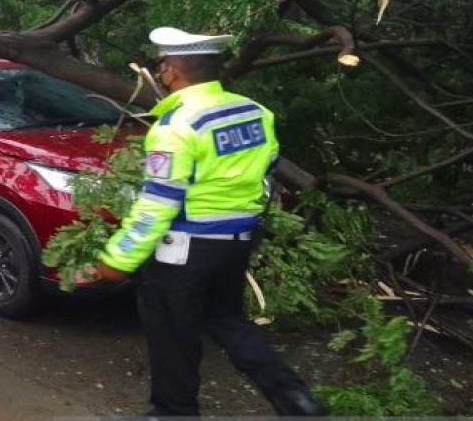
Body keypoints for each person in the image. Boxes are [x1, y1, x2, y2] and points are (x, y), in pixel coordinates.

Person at [74, 27, 326, 417]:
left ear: (171, 70)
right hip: (239, 239)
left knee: (172, 329)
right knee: (227, 320)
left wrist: (117, 260)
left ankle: (174, 412)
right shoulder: (254, 112)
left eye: (161, 65)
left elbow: (158, 204)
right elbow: (267, 169)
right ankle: (295, 398)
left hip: (185, 249)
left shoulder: (175, 127)